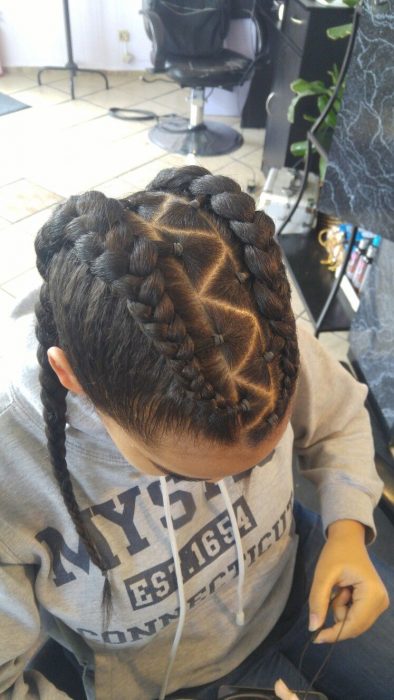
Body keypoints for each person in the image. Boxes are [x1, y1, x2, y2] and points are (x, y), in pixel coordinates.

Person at [0, 165, 392, 700]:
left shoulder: (251, 339)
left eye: (265, 456)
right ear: (73, 378)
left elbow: (339, 416)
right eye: (174, 470)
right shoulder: (10, 457)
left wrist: (347, 533)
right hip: (161, 682)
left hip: (303, 587)